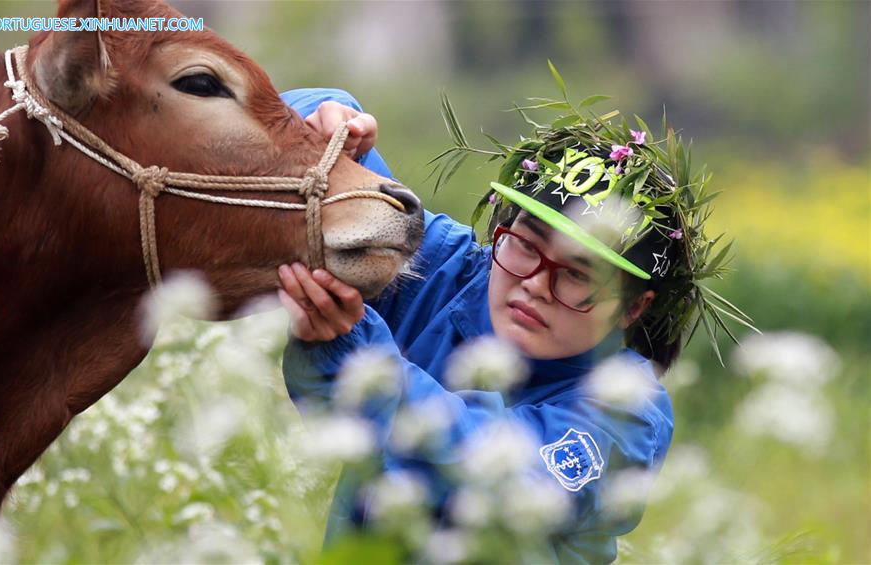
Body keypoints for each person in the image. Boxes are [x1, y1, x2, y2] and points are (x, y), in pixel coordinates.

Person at [276, 87, 740, 563]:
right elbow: (272, 132)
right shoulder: (452, 273)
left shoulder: (627, 409)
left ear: (632, 308)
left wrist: (358, 355)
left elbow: (501, 478)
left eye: (578, 274)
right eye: (524, 243)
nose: (535, 283)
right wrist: (333, 125)